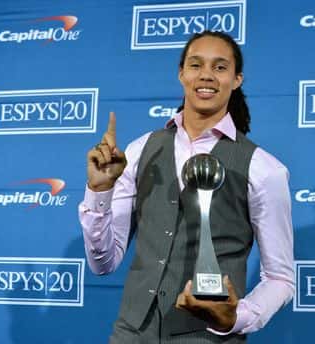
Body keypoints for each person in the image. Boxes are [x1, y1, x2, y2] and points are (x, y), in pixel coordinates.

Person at [78, 30, 295, 343]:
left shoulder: (265, 169)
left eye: (220, 67)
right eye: (196, 65)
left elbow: (280, 278)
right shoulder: (140, 152)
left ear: (237, 79)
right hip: (132, 334)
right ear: (181, 74)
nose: (206, 75)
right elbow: (103, 263)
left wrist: (236, 317)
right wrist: (99, 192)